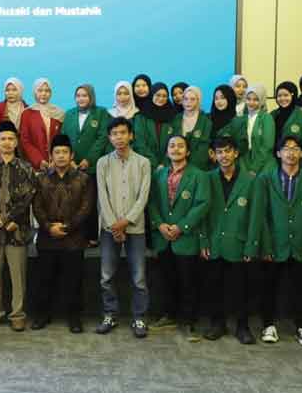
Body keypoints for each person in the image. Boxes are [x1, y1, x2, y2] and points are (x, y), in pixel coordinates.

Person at [255, 134, 302, 346]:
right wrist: (265, 245)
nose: (291, 152)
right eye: (286, 148)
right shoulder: (266, 178)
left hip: (301, 244)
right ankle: (268, 325)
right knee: (269, 287)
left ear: (301, 153)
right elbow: (261, 214)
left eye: (295, 148)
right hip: (274, 244)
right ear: (278, 153)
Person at [147, 134, 211, 341]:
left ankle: (189, 322)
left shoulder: (199, 175)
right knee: (167, 280)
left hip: (186, 237)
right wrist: (160, 224)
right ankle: (169, 315)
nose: (176, 149)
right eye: (172, 146)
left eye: (180, 146)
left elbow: (202, 204)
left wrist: (181, 226)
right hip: (163, 237)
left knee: (188, 282)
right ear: (166, 151)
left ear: (188, 151)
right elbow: (152, 202)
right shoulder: (159, 174)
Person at [94, 117, 152, 338]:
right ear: (109, 138)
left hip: (135, 229)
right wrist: (114, 225)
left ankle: (139, 318)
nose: (119, 137)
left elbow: (143, 198)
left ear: (131, 135)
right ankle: (110, 314)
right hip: (110, 230)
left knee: (139, 277)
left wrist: (126, 222)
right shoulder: (102, 163)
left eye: (122, 133)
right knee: (106, 276)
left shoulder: (144, 163)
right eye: (114, 134)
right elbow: (102, 196)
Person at [200, 136, 259, 344]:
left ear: (236, 153)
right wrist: (204, 241)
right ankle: (218, 324)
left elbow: (255, 215)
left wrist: (251, 245)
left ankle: (243, 327)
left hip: (239, 243)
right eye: (219, 152)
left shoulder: (251, 180)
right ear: (214, 156)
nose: (224, 155)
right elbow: (203, 214)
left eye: (227, 151)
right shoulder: (207, 178)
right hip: (215, 243)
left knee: (241, 288)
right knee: (214, 286)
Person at [32, 134, 94, 333]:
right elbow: (37, 206)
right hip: (47, 238)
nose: (61, 156)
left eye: (64, 152)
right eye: (57, 152)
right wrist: (49, 227)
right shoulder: (41, 178)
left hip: (74, 239)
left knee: (74, 281)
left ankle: (74, 318)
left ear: (71, 155)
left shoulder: (83, 179)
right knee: (44, 280)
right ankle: (42, 315)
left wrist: (66, 227)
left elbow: (86, 208)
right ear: (50, 156)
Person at [0, 121, 37, 331]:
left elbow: (29, 196)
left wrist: (11, 219)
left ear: (16, 141)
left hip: (17, 229)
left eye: (11, 139)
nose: (7, 142)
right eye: (3, 138)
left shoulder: (26, 168)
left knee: (18, 276)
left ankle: (17, 314)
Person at [61, 83, 109, 245]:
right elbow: (64, 139)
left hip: (91, 166)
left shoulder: (101, 113)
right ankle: (74, 233)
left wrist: (88, 160)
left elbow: (102, 139)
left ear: (91, 97)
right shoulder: (69, 114)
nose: (81, 98)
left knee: (89, 202)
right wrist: (70, 161)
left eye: (85, 95)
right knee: (72, 201)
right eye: (78, 95)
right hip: (71, 166)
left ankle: (91, 237)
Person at [20, 78, 65, 170]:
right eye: (40, 90)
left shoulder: (59, 113)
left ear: (51, 93)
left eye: (47, 91)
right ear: (34, 92)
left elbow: (62, 139)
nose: (43, 94)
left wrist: (56, 159)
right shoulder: (27, 113)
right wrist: (38, 160)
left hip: (57, 164)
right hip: (34, 164)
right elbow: (25, 140)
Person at [272, 81, 302, 170]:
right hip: (275, 161)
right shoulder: (273, 115)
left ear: (293, 95)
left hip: (296, 162)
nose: (282, 98)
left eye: (286, 95)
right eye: (279, 96)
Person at [167, 86, 212, 170]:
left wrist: (187, 168)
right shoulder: (176, 119)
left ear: (198, 101)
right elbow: (170, 143)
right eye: (186, 99)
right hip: (175, 166)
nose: (188, 102)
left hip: (198, 168)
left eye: (192, 99)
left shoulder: (206, 121)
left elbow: (203, 148)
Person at [133, 82, 175, 168]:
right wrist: (154, 163)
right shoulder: (141, 117)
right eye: (158, 95)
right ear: (152, 95)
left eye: (164, 96)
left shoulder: (173, 116)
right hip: (146, 164)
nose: (161, 98)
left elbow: (175, 142)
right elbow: (140, 143)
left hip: (168, 166)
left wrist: (164, 164)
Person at [239, 85, 275, 176]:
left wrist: (255, 168)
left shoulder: (267, 118)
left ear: (262, 100)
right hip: (245, 163)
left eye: (256, 99)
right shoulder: (242, 118)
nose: (251, 102)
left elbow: (267, 146)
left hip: (264, 165)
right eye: (248, 99)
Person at [0, 77, 27, 158]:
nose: (10, 93)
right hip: (3, 150)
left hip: (23, 151)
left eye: (14, 90)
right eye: (8, 90)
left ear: (20, 91)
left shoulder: (27, 109)